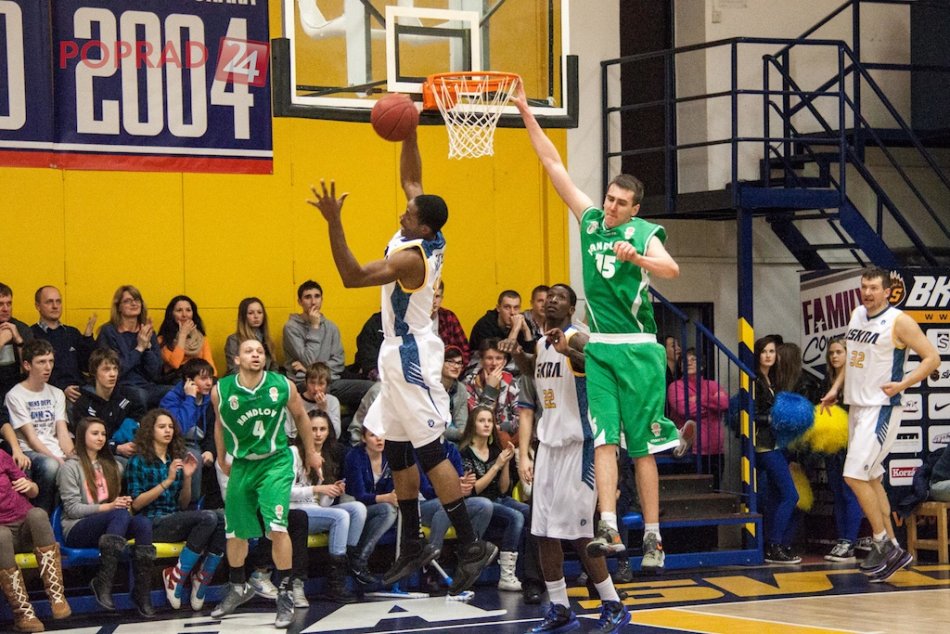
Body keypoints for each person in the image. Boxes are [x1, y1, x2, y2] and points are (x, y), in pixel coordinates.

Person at [308, 129, 497, 595]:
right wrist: (409, 133)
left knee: (429, 450)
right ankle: (411, 540)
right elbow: (412, 180)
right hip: (395, 350)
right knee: (395, 445)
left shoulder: (413, 258)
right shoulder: (423, 226)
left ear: (423, 229)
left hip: (412, 353)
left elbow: (352, 276)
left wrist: (333, 222)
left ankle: (471, 545)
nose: (402, 212)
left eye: (409, 214)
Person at [514, 86, 681, 572]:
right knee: (605, 438)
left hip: (639, 348)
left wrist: (638, 257)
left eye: (621, 203)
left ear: (635, 209)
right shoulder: (590, 222)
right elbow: (553, 164)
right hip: (603, 347)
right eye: (609, 198)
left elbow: (671, 270)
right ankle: (608, 524)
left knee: (641, 448)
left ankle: (653, 536)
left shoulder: (643, 233)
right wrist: (525, 110)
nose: (611, 207)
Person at [516, 283, 630, 633]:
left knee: (581, 534)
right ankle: (561, 608)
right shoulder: (540, 344)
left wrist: (568, 351)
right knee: (543, 532)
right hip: (548, 446)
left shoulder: (579, 338)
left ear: (571, 308)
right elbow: (532, 377)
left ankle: (613, 603)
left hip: (580, 446)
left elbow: (596, 367)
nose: (552, 300)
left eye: (560, 297)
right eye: (548, 296)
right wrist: (517, 351)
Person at [820, 267, 940, 583]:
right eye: (864, 287)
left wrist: (902, 384)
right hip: (857, 407)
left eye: (874, 288)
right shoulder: (857, 314)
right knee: (872, 478)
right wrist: (836, 388)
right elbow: (853, 359)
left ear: (887, 291)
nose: (868, 293)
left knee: (853, 475)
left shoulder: (900, 321)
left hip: (881, 408)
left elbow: (932, 358)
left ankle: (882, 543)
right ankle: (895, 546)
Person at [209, 338, 321, 628]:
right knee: (235, 532)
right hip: (243, 463)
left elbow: (301, 416)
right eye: (249, 351)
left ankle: (284, 593)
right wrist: (221, 456)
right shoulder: (221, 390)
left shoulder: (282, 385)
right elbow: (219, 424)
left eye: (260, 351)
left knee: (277, 527)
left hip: (275, 461)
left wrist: (311, 452)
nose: (256, 355)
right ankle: (237, 587)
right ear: (237, 359)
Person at [126, 408, 226, 612]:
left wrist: (187, 478)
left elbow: (183, 504)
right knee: (208, 517)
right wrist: (168, 480)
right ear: (150, 430)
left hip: (174, 517)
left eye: (170, 427)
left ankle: (202, 577)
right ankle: (177, 576)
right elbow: (136, 504)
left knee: (223, 518)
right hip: (151, 523)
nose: (167, 431)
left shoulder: (175, 459)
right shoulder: (138, 461)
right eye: (162, 427)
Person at [58, 416, 153, 614]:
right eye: (95, 433)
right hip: (77, 528)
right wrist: (110, 507)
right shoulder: (69, 467)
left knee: (143, 523)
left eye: (103, 434)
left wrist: (122, 503)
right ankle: (104, 582)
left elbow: (115, 506)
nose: (101, 438)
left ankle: (142, 591)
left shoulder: (114, 466)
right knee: (119, 515)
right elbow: (72, 509)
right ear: (82, 436)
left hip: (109, 525)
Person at [291, 409, 372, 603]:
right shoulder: (292, 453)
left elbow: (322, 503)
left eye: (323, 429)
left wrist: (332, 491)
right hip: (294, 512)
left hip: (315, 510)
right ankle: (335, 583)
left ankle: (349, 561)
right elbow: (285, 493)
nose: (318, 434)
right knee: (340, 516)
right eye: (313, 429)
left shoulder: (326, 456)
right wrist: (317, 489)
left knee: (357, 508)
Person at [0, 447, 71, 633]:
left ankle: (57, 596)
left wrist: (29, 486)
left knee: (38, 514)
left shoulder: (1, 455)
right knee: (1, 536)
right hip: (3, 536)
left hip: (24, 525)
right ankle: (23, 613)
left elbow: (34, 491)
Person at [459, 406, 527, 592]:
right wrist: (497, 466)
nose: (487, 424)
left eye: (490, 421)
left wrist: (505, 463)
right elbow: (474, 490)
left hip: (498, 498)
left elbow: (503, 489)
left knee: (530, 512)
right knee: (515, 517)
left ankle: (527, 572)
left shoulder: (495, 450)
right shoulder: (465, 452)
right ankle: (506, 575)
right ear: (473, 425)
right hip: (479, 503)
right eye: (482, 421)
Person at [1, 338, 74, 513]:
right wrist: (57, 459)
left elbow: (62, 432)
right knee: (51, 466)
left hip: (55, 448)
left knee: (79, 465)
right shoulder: (15, 395)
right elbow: (31, 438)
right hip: (30, 451)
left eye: (51, 361)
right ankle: (42, 515)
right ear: (27, 365)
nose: (48, 367)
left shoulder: (57, 393)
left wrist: (73, 456)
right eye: (41, 362)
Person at [282, 280, 373, 411]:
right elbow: (308, 359)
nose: (313, 301)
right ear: (300, 302)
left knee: (373, 388)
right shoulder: (291, 327)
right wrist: (314, 327)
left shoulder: (331, 327)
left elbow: (338, 362)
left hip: (331, 381)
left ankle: (357, 424)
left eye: (317, 296)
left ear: (322, 300)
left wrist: (307, 369)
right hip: (304, 383)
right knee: (317, 388)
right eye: (307, 297)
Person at [752, 335, 800, 564]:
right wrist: (773, 419)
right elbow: (750, 415)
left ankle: (774, 545)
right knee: (791, 495)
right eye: (764, 351)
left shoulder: (774, 381)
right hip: (764, 446)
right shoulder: (754, 381)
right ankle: (774, 545)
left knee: (775, 497)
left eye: (772, 351)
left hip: (776, 445)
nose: (769, 355)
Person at [818, 336, 863, 562]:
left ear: (848, 354)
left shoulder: (856, 380)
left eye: (839, 352)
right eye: (831, 353)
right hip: (831, 445)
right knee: (837, 493)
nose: (835, 356)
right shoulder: (827, 381)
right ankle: (842, 540)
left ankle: (849, 541)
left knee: (849, 492)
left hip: (852, 443)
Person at [96, 285, 167, 409]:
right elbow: (116, 369)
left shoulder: (147, 332)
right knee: (140, 396)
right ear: (118, 307)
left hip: (147, 385)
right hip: (120, 386)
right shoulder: (109, 332)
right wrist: (139, 349)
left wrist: (147, 348)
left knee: (175, 392)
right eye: (127, 301)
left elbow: (155, 373)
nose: (134, 304)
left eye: (137, 300)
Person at [159, 358, 217, 503]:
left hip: (200, 444)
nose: (209, 383)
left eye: (210, 378)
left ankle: (213, 505)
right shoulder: (171, 398)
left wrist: (210, 450)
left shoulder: (210, 399)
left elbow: (213, 429)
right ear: (188, 380)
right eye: (203, 378)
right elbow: (178, 429)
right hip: (176, 445)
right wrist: (190, 399)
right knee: (194, 456)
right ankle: (191, 504)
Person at [71, 348, 144, 461]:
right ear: (94, 372)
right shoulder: (83, 404)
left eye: (115, 369)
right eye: (106, 369)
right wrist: (116, 448)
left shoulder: (130, 396)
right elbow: (85, 440)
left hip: (131, 449)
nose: (112, 374)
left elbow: (141, 425)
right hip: (99, 455)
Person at [667, 347, 729, 480]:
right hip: (691, 450)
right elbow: (686, 410)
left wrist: (699, 399)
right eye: (685, 360)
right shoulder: (675, 387)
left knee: (716, 488)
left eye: (694, 359)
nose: (689, 362)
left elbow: (724, 404)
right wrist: (712, 405)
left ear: (702, 365)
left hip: (716, 449)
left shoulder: (712, 384)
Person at [344, 427, 397, 580]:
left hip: (376, 507)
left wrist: (393, 496)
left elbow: (392, 490)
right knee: (388, 510)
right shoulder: (354, 456)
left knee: (393, 510)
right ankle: (358, 560)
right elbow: (359, 495)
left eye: (381, 435)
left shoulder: (390, 456)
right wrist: (387, 497)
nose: (379, 439)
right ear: (363, 438)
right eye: (373, 435)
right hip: (353, 507)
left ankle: (360, 560)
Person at [30, 285, 97, 402]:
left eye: (58, 301)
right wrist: (62, 389)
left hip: (80, 388)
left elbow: (87, 366)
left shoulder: (72, 332)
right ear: (37, 306)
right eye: (49, 302)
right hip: (50, 392)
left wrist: (87, 337)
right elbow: (33, 372)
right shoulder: (31, 334)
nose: (55, 306)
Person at [464, 338, 521, 447]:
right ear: (481, 361)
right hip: (479, 438)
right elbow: (476, 421)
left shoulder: (512, 383)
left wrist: (498, 428)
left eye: (498, 358)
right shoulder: (468, 385)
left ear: (504, 362)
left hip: (508, 437)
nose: (494, 363)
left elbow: (520, 419)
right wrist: (490, 390)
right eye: (489, 358)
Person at [156, 295, 217, 382]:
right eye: (179, 310)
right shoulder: (163, 339)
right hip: (174, 381)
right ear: (171, 314)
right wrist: (182, 335)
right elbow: (175, 363)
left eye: (188, 310)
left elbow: (210, 365)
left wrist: (213, 382)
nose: (184, 315)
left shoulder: (201, 338)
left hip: (198, 380)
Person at [468, 290, 533, 367]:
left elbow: (530, 361)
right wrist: (515, 330)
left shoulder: (523, 323)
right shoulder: (484, 325)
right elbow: (499, 358)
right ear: (498, 308)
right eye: (507, 307)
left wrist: (526, 331)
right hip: (482, 366)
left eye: (516, 308)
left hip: (514, 368)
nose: (512, 312)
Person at [224, 297, 279, 374]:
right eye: (250, 313)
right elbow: (233, 369)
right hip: (243, 379)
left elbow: (274, 367)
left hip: (266, 379)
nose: (256, 316)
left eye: (259, 312)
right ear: (243, 316)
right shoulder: (233, 340)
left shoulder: (267, 339)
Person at [0, 282, 33, 405]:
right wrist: (1, 341)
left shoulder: (21, 328)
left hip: (16, 390)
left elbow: (31, 370)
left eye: (9, 303)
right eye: (0, 304)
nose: (6, 309)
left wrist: (19, 340)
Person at [299, 362, 342, 439]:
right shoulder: (296, 401)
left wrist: (324, 411)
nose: (316, 388)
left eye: (321, 384)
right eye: (312, 383)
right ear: (306, 383)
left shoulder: (333, 401)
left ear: (327, 385)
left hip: (325, 443)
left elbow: (336, 434)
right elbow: (290, 432)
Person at [432, 281, 470, 366]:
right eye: (430, 296)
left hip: (450, 368)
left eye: (437, 296)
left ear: (442, 298)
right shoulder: (414, 320)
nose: (433, 301)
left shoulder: (448, 316)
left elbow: (465, 351)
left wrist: (457, 368)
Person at [441, 346, 470, 443]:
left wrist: (463, 433)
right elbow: (433, 426)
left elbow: (462, 422)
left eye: (459, 363)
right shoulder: (430, 388)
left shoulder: (461, 389)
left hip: (454, 437)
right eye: (450, 362)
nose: (456, 366)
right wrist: (460, 433)